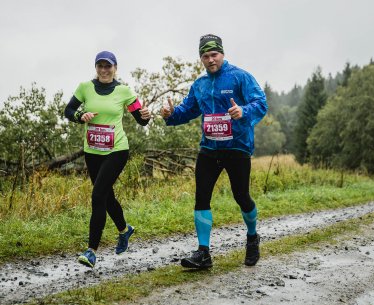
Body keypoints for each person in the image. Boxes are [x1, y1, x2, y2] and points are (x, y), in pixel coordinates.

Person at [161, 34, 267, 269]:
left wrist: (244, 111)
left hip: (237, 147)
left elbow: (261, 103)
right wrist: (171, 115)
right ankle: (203, 253)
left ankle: (252, 237)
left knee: (241, 196)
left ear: (222, 54)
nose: (210, 60)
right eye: (205, 56)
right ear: (201, 58)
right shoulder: (200, 84)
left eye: (214, 55)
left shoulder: (240, 77)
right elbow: (187, 110)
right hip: (209, 148)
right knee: (202, 197)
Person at [64, 51, 151, 268]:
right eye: (100, 66)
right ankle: (124, 230)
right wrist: (79, 116)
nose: (104, 70)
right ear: (96, 68)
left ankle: (91, 250)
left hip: (117, 150)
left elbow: (140, 120)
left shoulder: (124, 91)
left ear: (115, 68)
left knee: (97, 195)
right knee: (106, 195)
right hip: (92, 151)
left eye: (108, 66)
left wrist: (146, 115)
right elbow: (69, 110)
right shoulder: (85, 87)